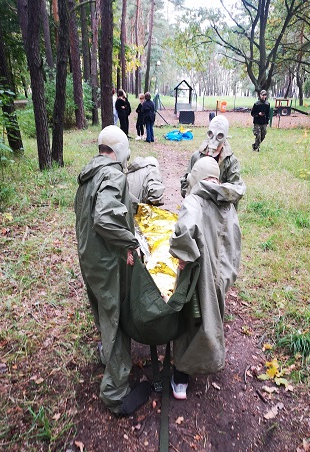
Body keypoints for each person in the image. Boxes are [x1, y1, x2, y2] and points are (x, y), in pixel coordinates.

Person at [74, 126, 151, 415]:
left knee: (103, 312)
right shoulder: (114, 174)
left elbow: (98, 211)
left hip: (89, 259)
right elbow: (104, 218)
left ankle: (107, 355)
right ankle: (115, 393)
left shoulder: (89, 174)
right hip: (107, 263)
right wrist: (131, 242)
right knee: (116, 318)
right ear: (120, 150)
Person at [169, 157, 244, 400]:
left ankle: (181, 377)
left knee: (190, 320)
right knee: (213, 315)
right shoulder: (228, 201)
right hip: (222, 274)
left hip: (199, 274)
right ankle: (211, 353)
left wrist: (182, 255)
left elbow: (185, 229)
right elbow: (235, 238)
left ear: (196, 176)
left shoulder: (194, 200)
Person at [180, 115, 245, 204]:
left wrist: (217, 189)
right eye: (210, 134)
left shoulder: (231, 162)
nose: (214, 138)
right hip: (199, 206)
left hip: (220, 209)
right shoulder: (196, 157)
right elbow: (185, 185)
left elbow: (237, 190)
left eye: (219, 135)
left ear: (225, 136)